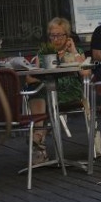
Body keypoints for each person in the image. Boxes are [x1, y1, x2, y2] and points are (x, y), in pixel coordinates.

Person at [27, 18, 87, 164]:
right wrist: (43, 75)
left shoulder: (76, 52)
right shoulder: (44, 52)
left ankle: (38, 139)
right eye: (53, 35)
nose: (56, 39)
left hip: (70, 92)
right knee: (36, 90)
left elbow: (86, 74)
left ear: (67, 36)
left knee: (41, 93)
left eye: (60, 35)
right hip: (48, 91)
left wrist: (72, 51)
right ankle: (39, 136)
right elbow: (29, 78)